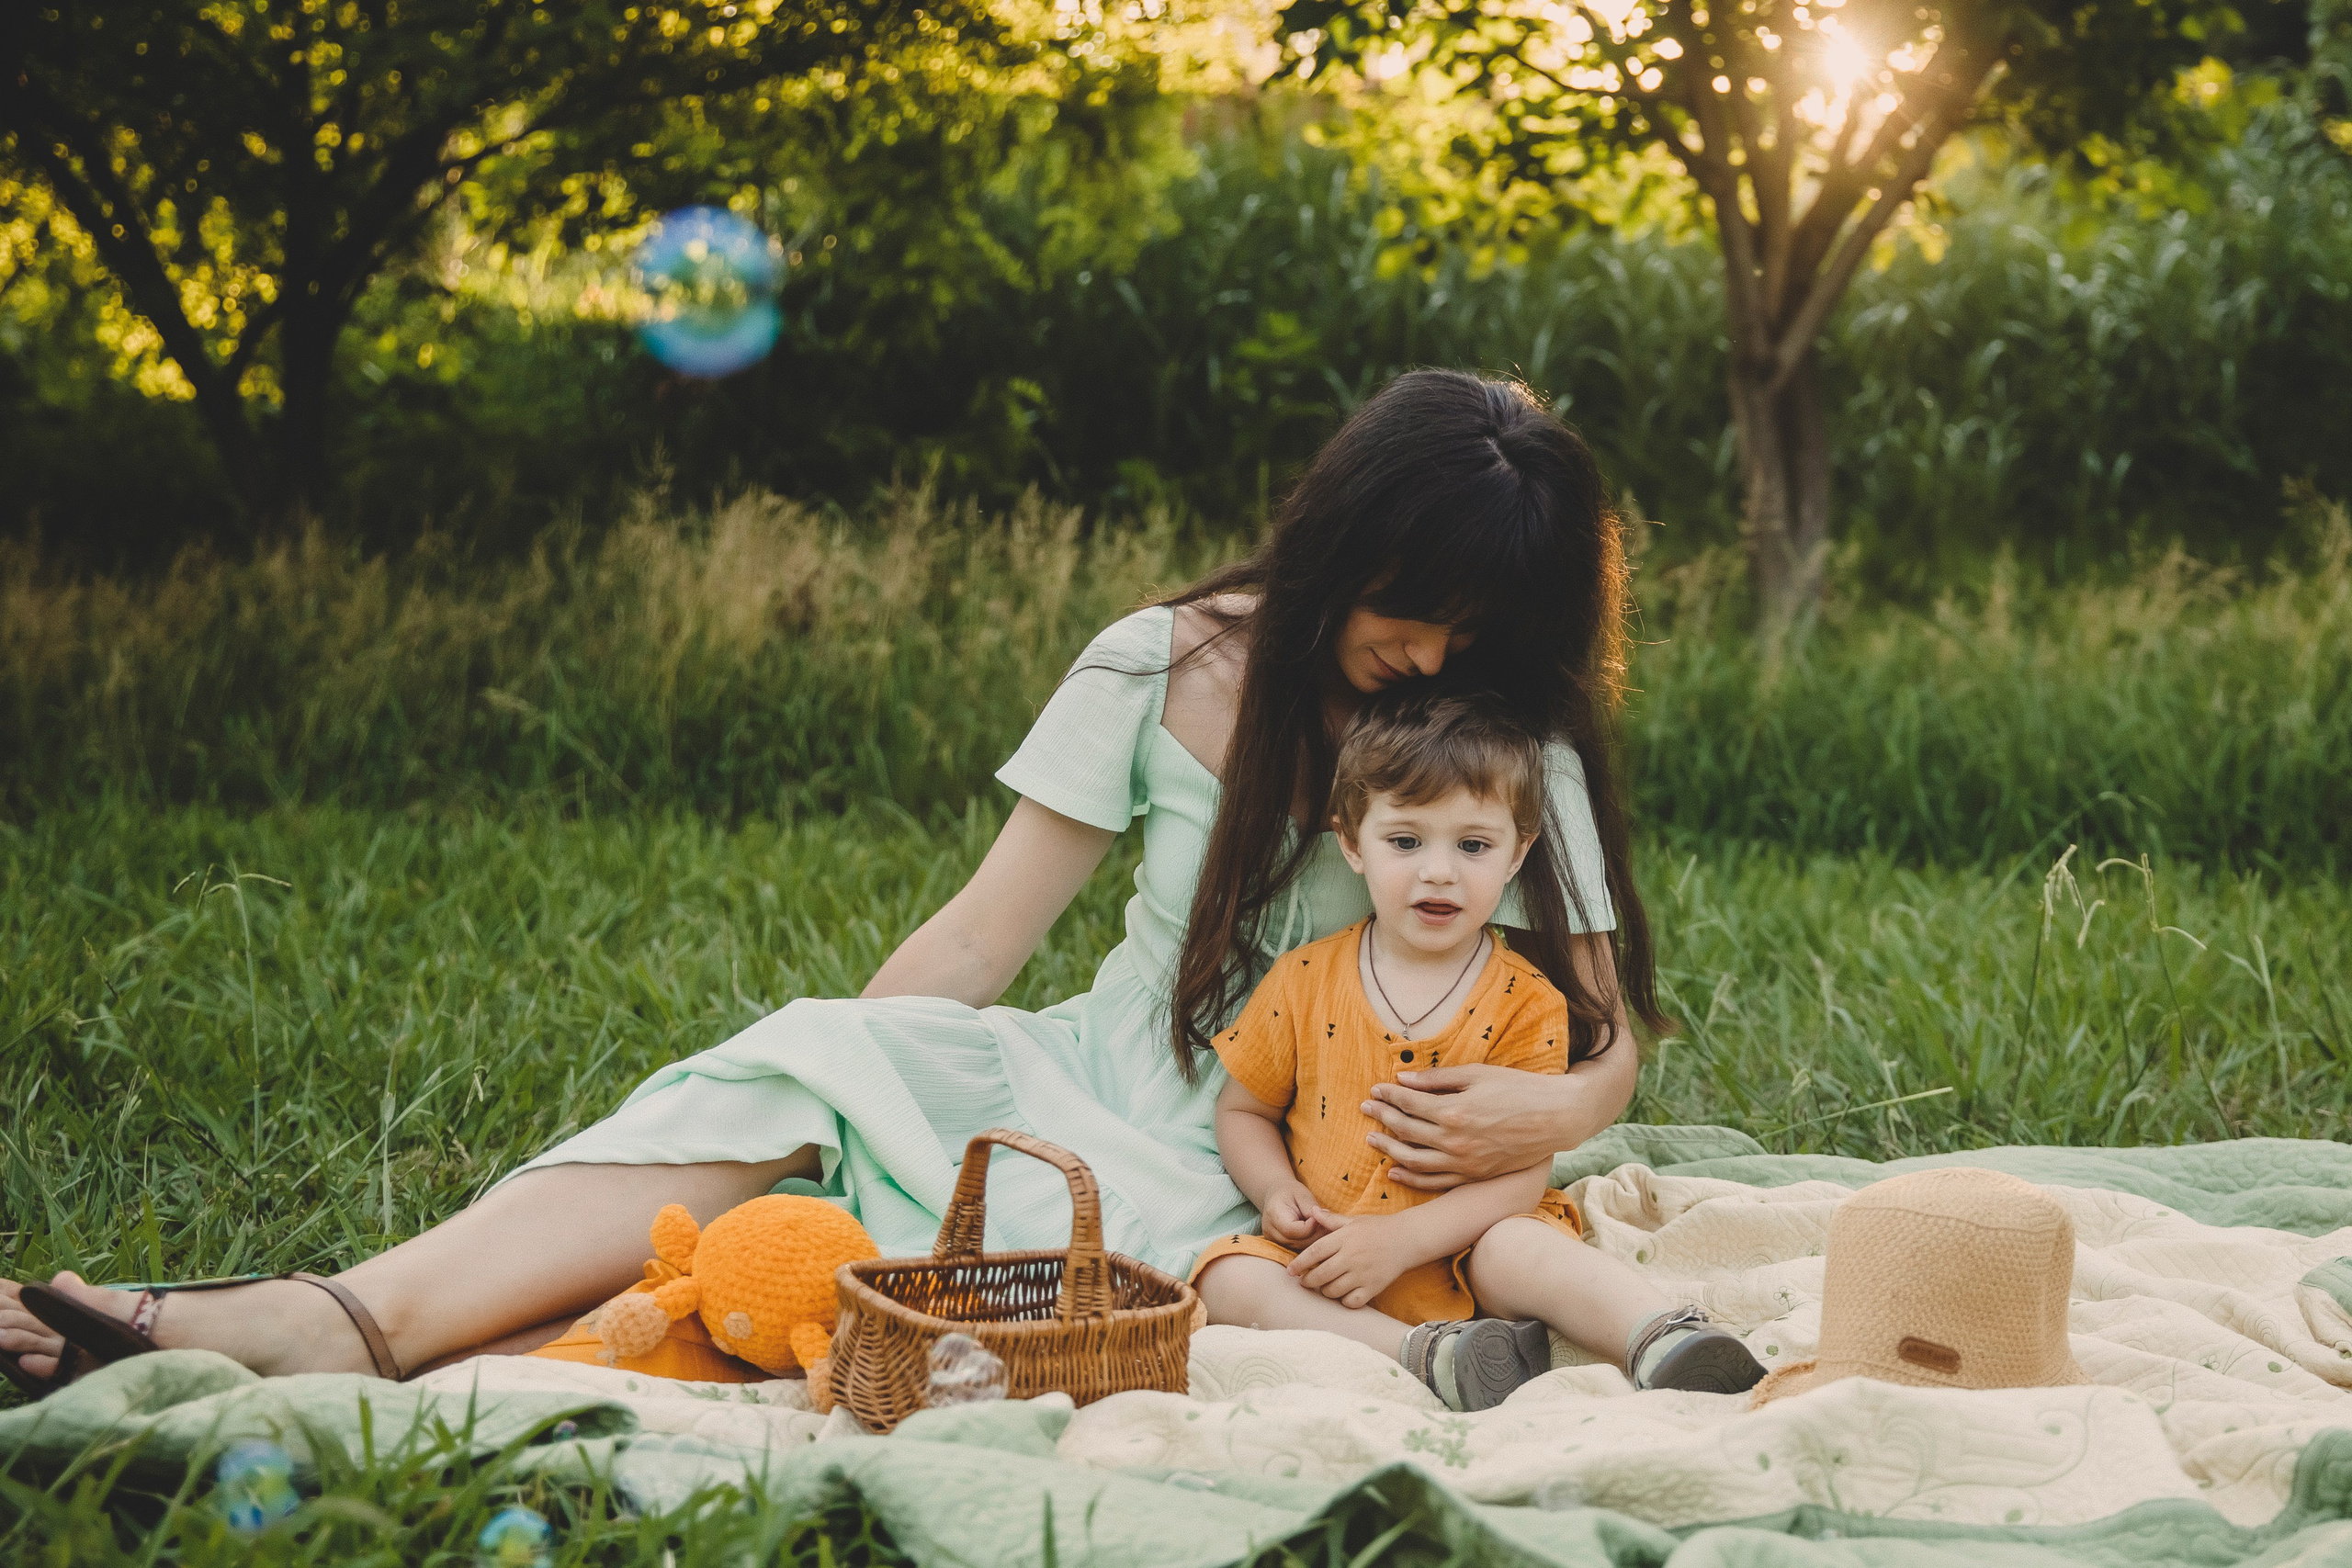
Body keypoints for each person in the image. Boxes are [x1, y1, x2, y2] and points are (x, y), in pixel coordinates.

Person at [1, 369, 1668, 1393]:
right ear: (1338, 533)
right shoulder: (1165, 665)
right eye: (1412, 598)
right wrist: (853, 1074)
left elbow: (1611, 1039)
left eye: (1477, 628)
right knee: (806, 1063)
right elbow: (978, 931)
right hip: (1115, 1077)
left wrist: (1555, 1117)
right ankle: (344, 1317)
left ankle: (400, 1324)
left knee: (1048, 1234)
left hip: (1329, 1168)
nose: (1430, 650)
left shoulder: (1508, 744)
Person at [1192, 686, 1763, 1409]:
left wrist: (1402, 1241)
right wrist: (1276, 1193)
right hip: (1334, 1249)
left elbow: (1523, 1169)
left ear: (1518, 852)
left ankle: (1657, 1333)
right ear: (1350, 842)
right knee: (1227, 1274)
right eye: (1405, 841)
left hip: (1471, 1239)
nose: (1439, 871)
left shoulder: (1526, 1000)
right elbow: (1243, 1110)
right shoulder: (1304, 979)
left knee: (1520, 1248)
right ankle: (1429, 1357)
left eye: (1473, 845)